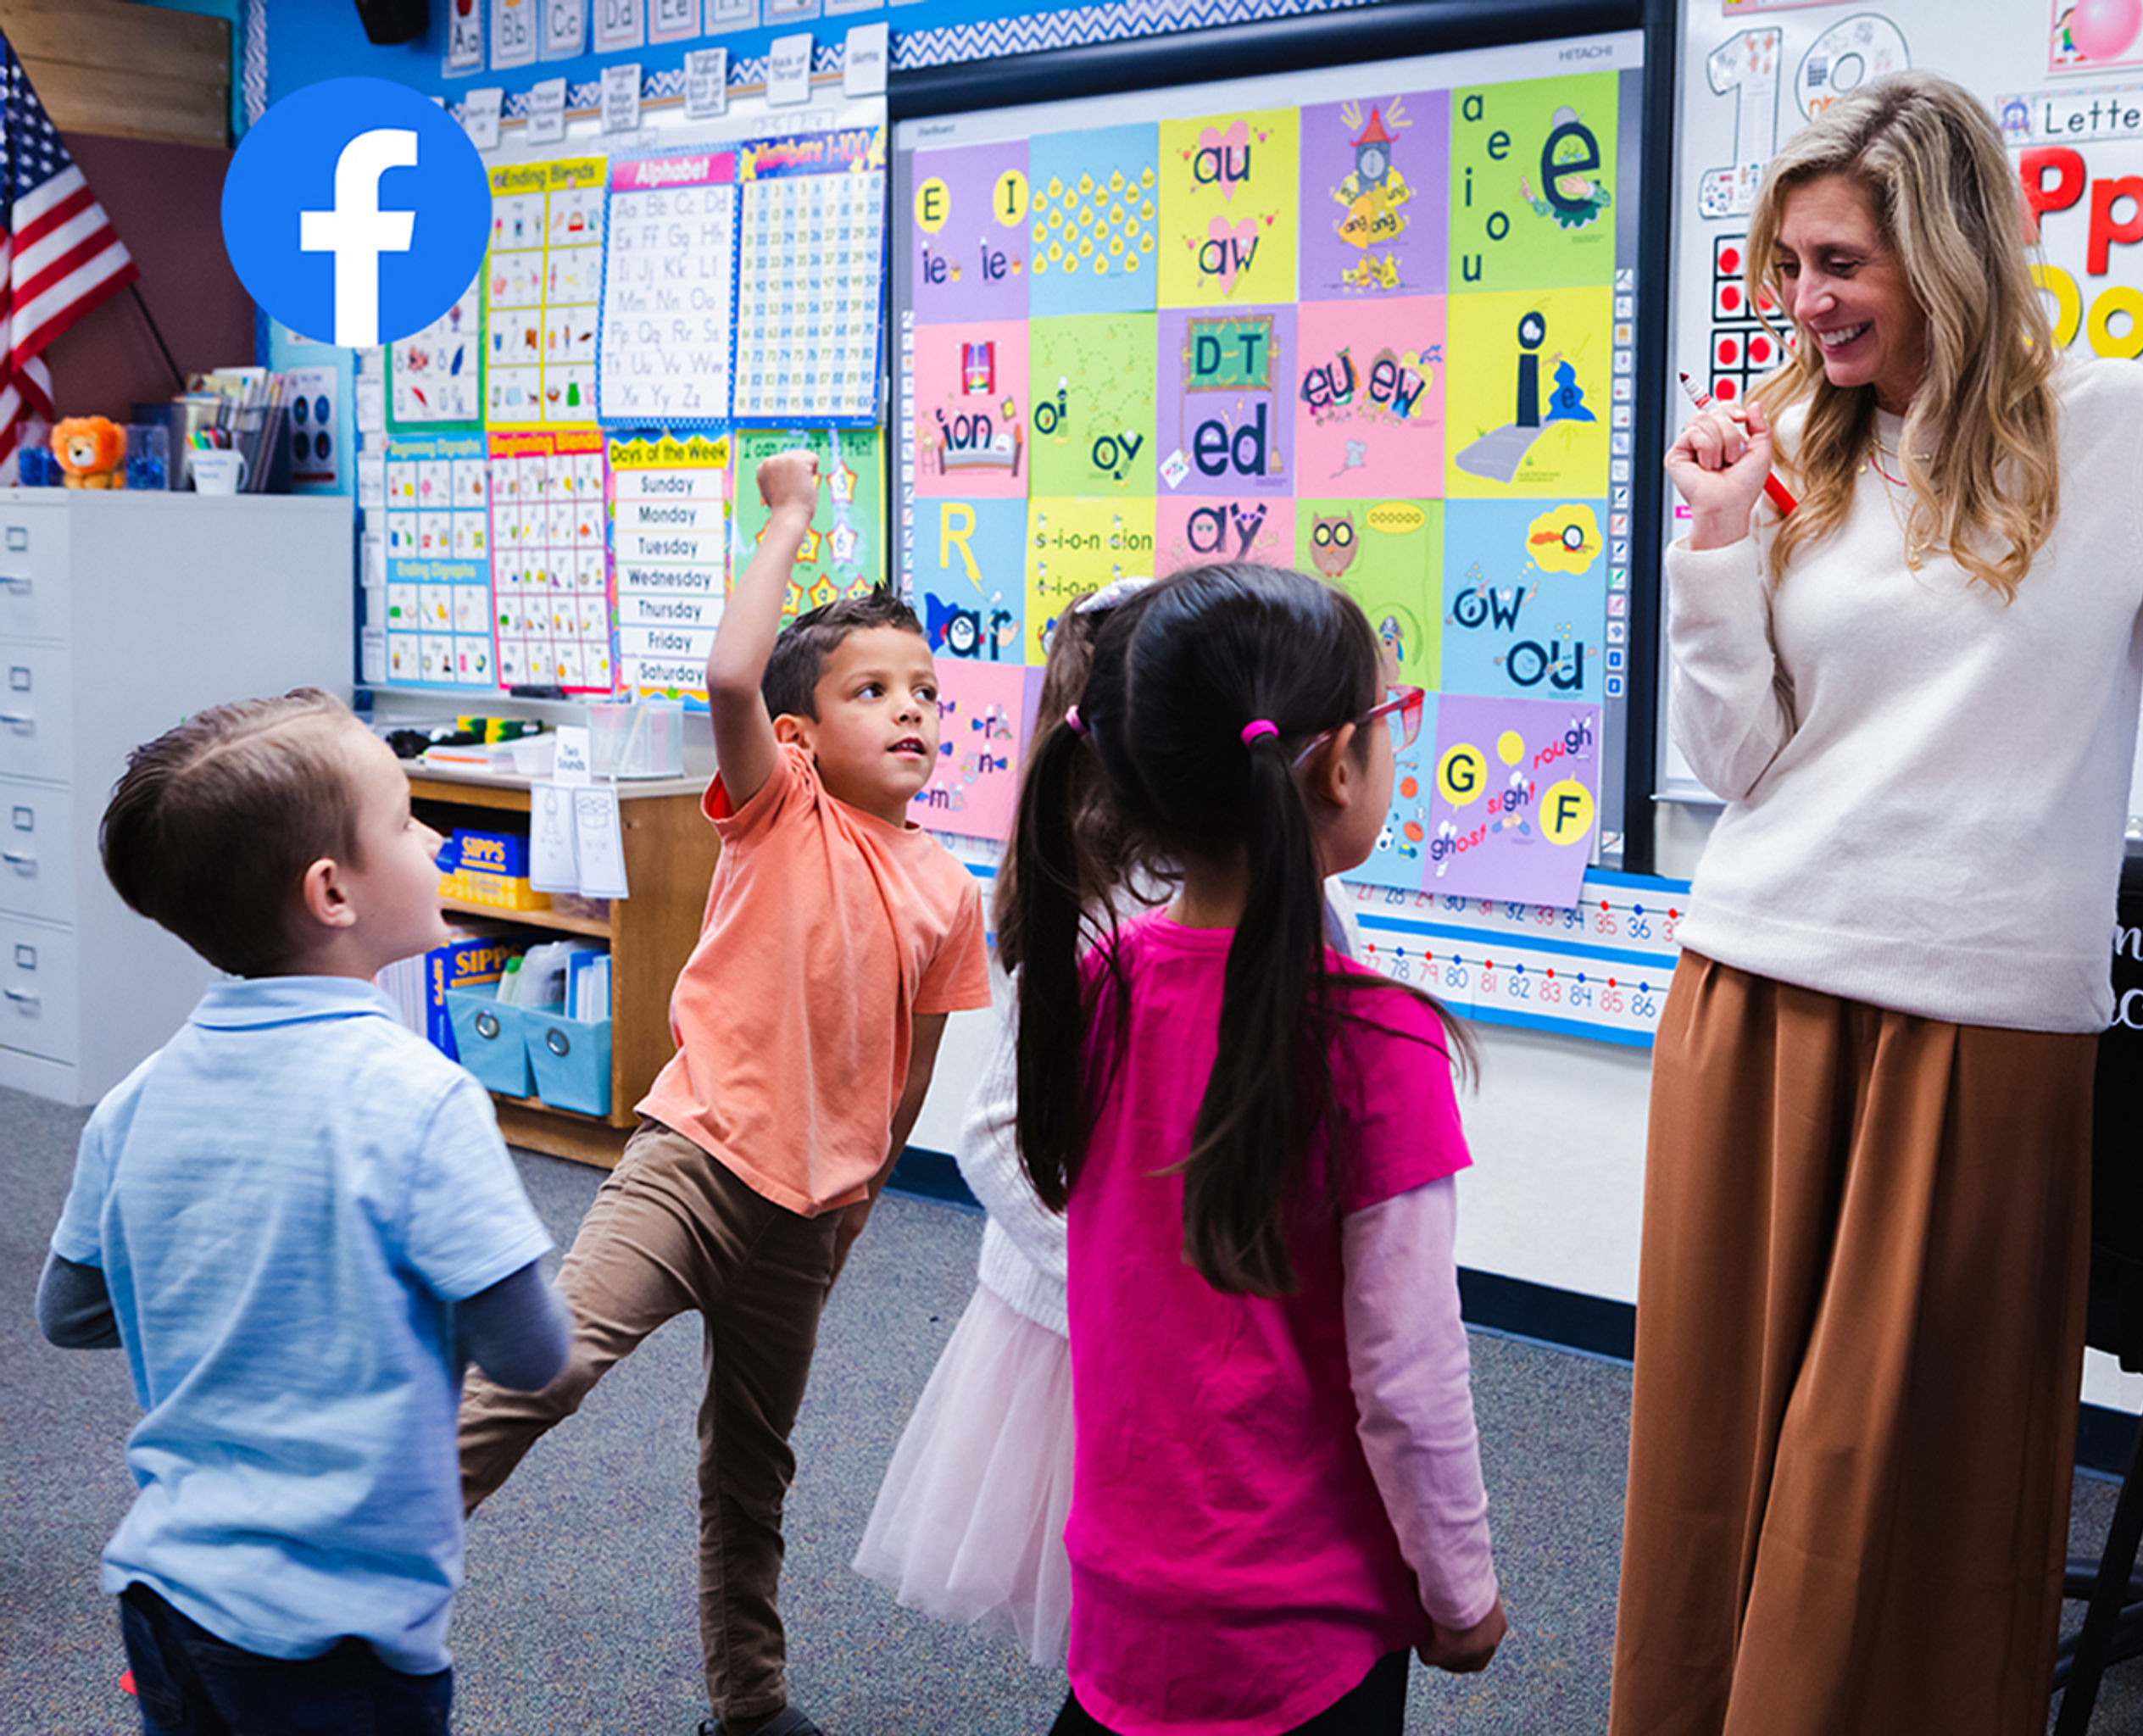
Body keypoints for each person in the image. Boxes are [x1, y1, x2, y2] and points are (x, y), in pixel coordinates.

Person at [1608, 73, 2143, 1736]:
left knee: (1903, 1480)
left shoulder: (2121, 425)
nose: (1805, 302)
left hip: (1984, 1028)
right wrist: (1716, 548)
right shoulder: (1795, 436)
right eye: (1788, 263)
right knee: (1720, 1456)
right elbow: (1739, 762)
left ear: (1946, 250)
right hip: (1756, 987)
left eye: (1842, 263)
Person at [454, 452, 993, 1736]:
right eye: (874, 691)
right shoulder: (779, 809)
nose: (913, 710)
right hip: (694, 1163)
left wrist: (863, 1187)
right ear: (805, 737)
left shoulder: (947, 887)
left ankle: (748, 1707)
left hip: (808, 1213)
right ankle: (315, 1591)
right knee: (549, 1370)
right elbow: (732, 678)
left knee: (751, 1470)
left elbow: (911, 1063)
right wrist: (792, 520)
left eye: (926, 691)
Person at [1010, 563, 1507, 1735]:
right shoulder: (1379, 1043)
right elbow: (1411, 1378)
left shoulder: (1100, 986)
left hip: (1124, 1613)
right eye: (1392, 724)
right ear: (1338, 766)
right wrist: (1464, 1594)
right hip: (1303, 1639)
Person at [38, 688, 570, 1735]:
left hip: (167, 1592)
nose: (434, 836)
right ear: (332, 891)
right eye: (408, 816)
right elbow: (529, 1353)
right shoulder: (422, 1100)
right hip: (339, 1623)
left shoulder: (135, 1098)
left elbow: (72, 1311)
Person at [850, 575, 1158, 1666]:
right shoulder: (1080, 892)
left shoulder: (1248, 878)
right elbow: (993, 1131)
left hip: (1185, 1288)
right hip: (1086, 1304)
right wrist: (1117, 1274)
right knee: (1116, 1591)